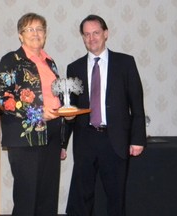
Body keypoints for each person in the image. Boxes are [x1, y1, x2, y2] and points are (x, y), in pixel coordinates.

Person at [65, 14, 147, 216]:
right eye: (86, 34)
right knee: (82, 197)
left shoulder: (125, 63)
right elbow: (69, 109)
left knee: (116, 198)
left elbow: (137, 105)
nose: (91, 38)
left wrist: (138, 139)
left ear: (106, 34)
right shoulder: (73, 68)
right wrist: (61, 143)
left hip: (115, 140)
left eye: (96, 33)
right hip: (85, 140)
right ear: (82, 38)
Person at [0, 12, 67, 216]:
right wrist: (38, 113)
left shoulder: (50, 62)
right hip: (25, 135)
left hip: (51, 132)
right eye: (30, 29)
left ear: (46, 34)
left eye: (40, 29)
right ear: (20, 35)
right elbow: (1, 98)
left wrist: (66, 114)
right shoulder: (12, 60)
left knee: (48, 195)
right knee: (28, 197)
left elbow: (55, 97)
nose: (36, 33)